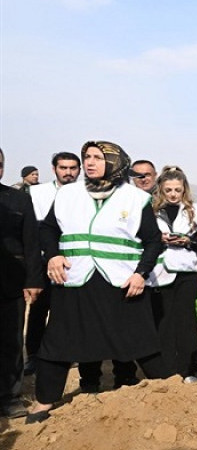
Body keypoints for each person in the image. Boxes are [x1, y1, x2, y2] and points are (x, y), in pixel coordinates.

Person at [27, 141, 169, 423]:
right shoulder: (68, 194)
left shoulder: (134, 198)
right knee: (59, 340)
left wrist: (141, 273)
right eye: (86, 157)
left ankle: (168, 394)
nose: (89, 162)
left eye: (97, 157)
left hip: (120, 282)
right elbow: (47, 229)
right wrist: (53, 256)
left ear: (114, 162)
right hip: (75, 278)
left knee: (139, 340)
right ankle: (43, 402)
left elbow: (153, 242)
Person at [150, 166, 197, 382]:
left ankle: (190, 370)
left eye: (178, 189)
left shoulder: (196, 210)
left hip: (188, 270)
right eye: (168, 190)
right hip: (159, 272)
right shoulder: (151, 210)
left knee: (186, 322)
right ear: (161, 189)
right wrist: (160, 240)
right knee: (164, 322)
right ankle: (167, 370)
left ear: (184, 189)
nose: (173, 194)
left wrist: (190, 241)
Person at [24, 152, 81, 376]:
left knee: (68, 310)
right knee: (39, 309)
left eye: (73, 168)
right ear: (54, 169)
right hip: (42, 259)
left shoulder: (84, 193)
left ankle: (69, 353)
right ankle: (34, 356)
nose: (68, 172)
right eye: (63, 168)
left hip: (73, 261)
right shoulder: (37, 192)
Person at [0, 148, 44, 419]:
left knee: (10, 340)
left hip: (9, 281)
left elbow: (31, 242)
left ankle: (8, 396)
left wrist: (33, 279)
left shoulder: (17, 199)